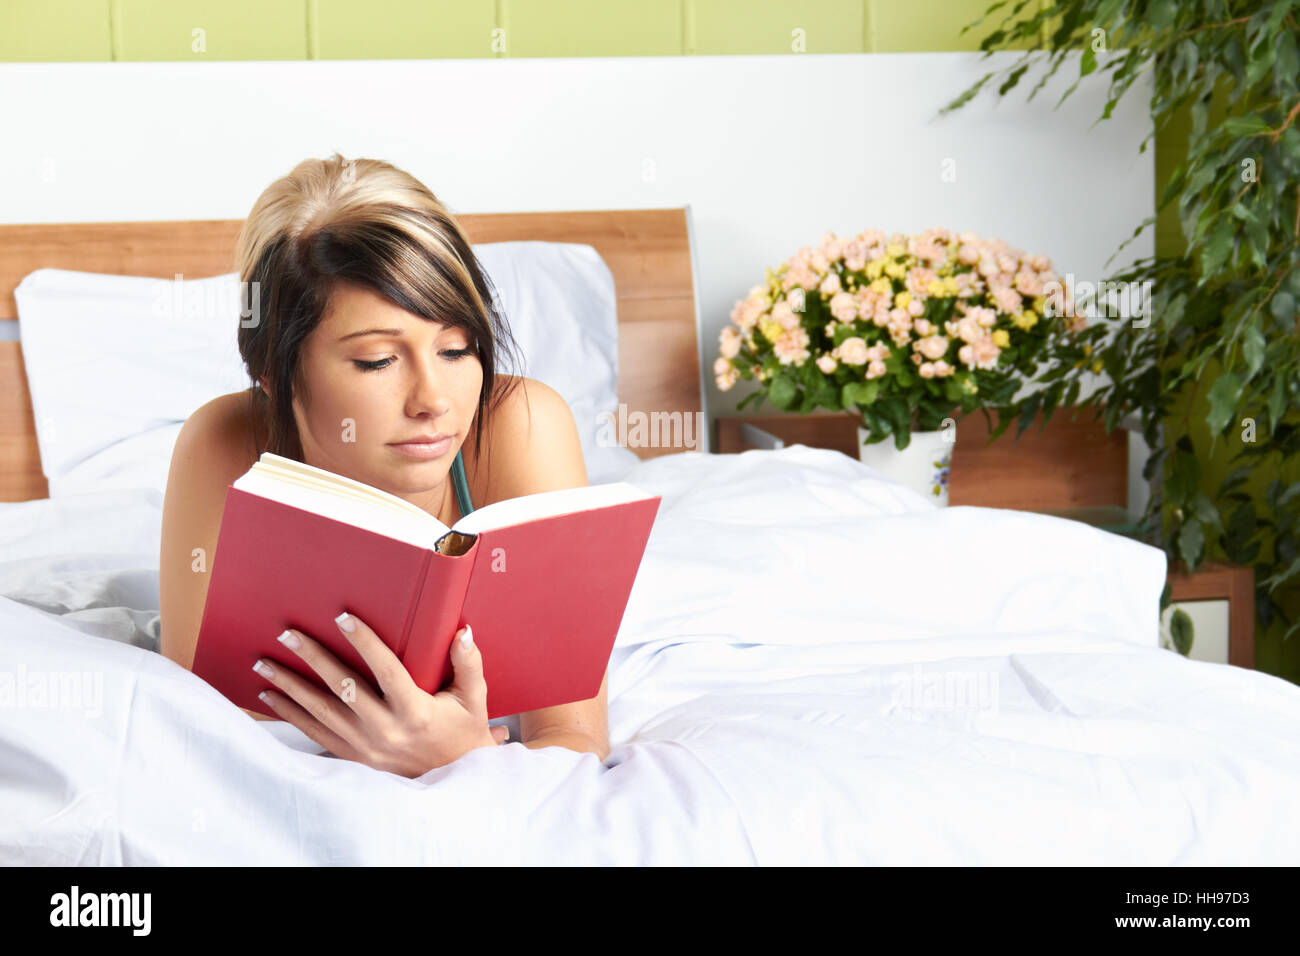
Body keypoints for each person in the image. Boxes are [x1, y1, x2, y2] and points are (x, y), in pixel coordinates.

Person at [159, 153, 610, 776]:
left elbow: (576, 741)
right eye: (376, 360)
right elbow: (193, 734)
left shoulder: (520, 426)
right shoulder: (224, 443)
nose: (434, 402)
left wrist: (464, 759)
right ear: (274, 371)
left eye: (456, 349)